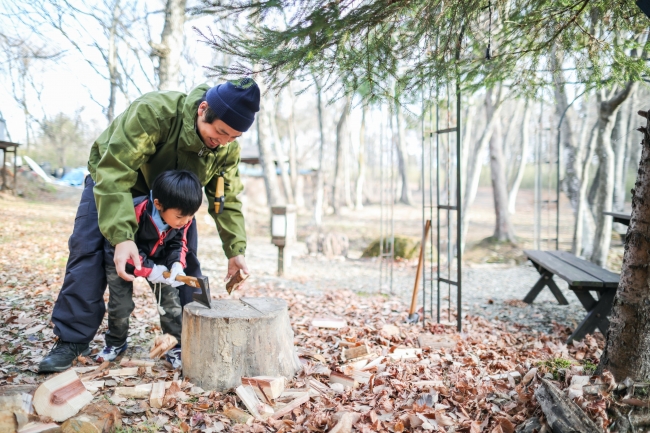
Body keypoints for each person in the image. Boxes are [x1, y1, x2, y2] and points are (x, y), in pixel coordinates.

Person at [39, 79, 260, 373]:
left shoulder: (225, 150)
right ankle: (71, 340)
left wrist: (235, 250)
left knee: (185, 263)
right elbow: (114, 171)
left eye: (234, 137)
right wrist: (122, 236)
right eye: (220, 132)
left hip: (175, 202)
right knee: (88, 253)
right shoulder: (154, 113)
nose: (224, 142)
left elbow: (225, 198)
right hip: (116, 184)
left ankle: (185, 338)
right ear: (203, 109)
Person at [96, 170, 203, 368]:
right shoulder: (134, 210)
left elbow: (179, 243)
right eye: (180, 216)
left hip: (160, 261)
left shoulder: (184, 220)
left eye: (191, 216)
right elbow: (122, 250)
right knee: (120, 305)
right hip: (121, 261)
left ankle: (174, 346)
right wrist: (151, 270)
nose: (186, 221)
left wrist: (176, 265)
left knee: (170, 303)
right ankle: (116, 343)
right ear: (158, 204)